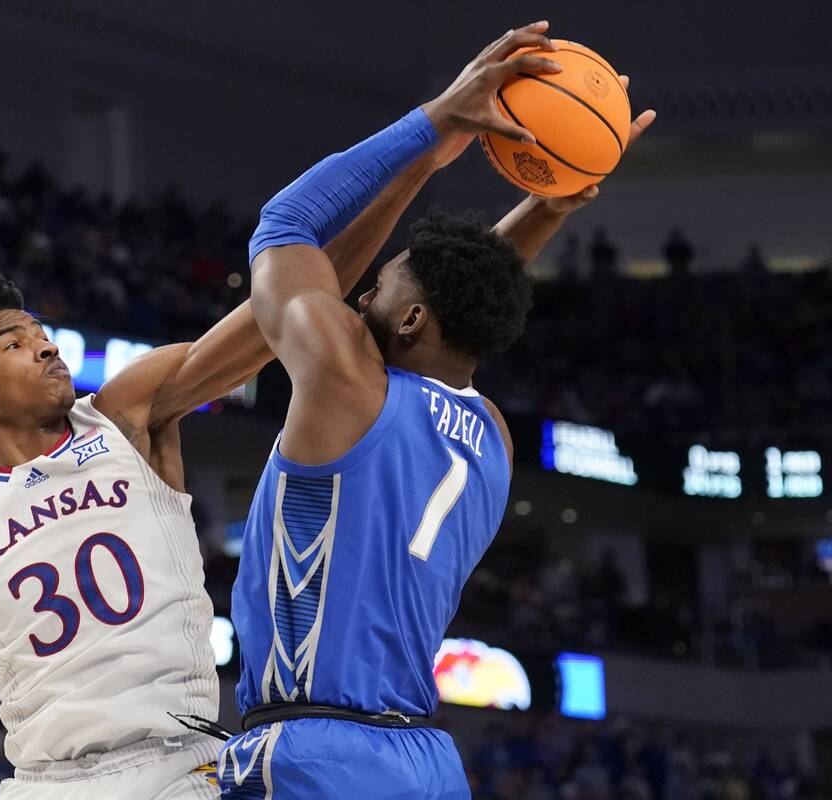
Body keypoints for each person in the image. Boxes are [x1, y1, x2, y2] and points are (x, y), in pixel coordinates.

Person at [0, 113, 481, 796]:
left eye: (41, 331)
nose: (44, 343)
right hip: (45, 781)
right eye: (12, 343)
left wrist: (417, 165)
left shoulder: (129, 414)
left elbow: (287, 307)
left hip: (182, 767)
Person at [217, 21, 656, 798]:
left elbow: (285, 224)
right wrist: (552, 199)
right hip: (427, 764)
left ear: (412, 322)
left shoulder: (345, 380)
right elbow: (467, 293)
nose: (356, 296)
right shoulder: (492, 435)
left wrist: (440, 120)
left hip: (316, 754)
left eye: (377, 287)